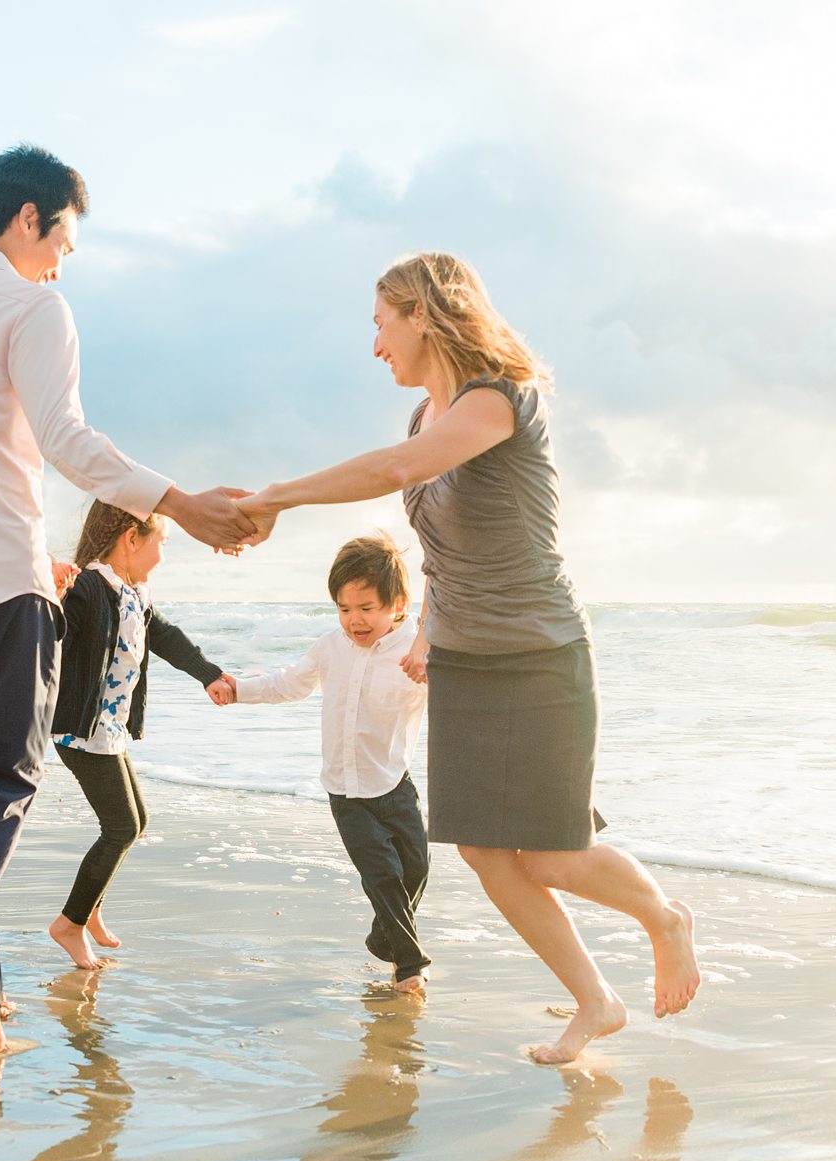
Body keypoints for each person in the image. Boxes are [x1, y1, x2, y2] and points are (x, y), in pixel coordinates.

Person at [235, 252, 701, 1063]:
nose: (376, 344)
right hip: (466, 663)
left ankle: (666, 917)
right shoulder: (426, 415)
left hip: (540, 653)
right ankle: (597, 1001)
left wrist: (275, 494)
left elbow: (392, 472)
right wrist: (427, 635)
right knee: (487, 851)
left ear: (423, 313)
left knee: (552, 850)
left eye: (382, 323)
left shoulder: (496, 400)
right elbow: (440, 557)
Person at [0, 144, 256, 1056]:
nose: (66, 257)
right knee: (3, 786)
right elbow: (65, 440)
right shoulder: (36, 304)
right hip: (3, 587)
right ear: (30, 218)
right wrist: (181, 503)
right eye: (65, 235)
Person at [210, 534, 433, 992]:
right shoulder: (330, 646)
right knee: (383, 877)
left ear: (398, 603)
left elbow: (459, 693)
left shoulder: (416, 653)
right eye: (345, 608)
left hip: (395, 782)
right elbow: (289, 683)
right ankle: (410, 967)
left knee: (416, 870)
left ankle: (384, 938)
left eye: (367, 607)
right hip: (345, 791)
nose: (355, 620)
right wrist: (239, 690)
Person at [49, 501, 233, 970]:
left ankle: (89, 908)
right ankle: (69, 924)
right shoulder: (87, 587)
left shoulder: (135, 593)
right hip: (81, 732)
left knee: (136, 821)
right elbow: (50, 631)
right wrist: (52, 591)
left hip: (109, 731)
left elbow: (167, 638)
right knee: (122, 827)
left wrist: (208, 673)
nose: (163, 556)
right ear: (132, 538)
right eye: (162, 543)